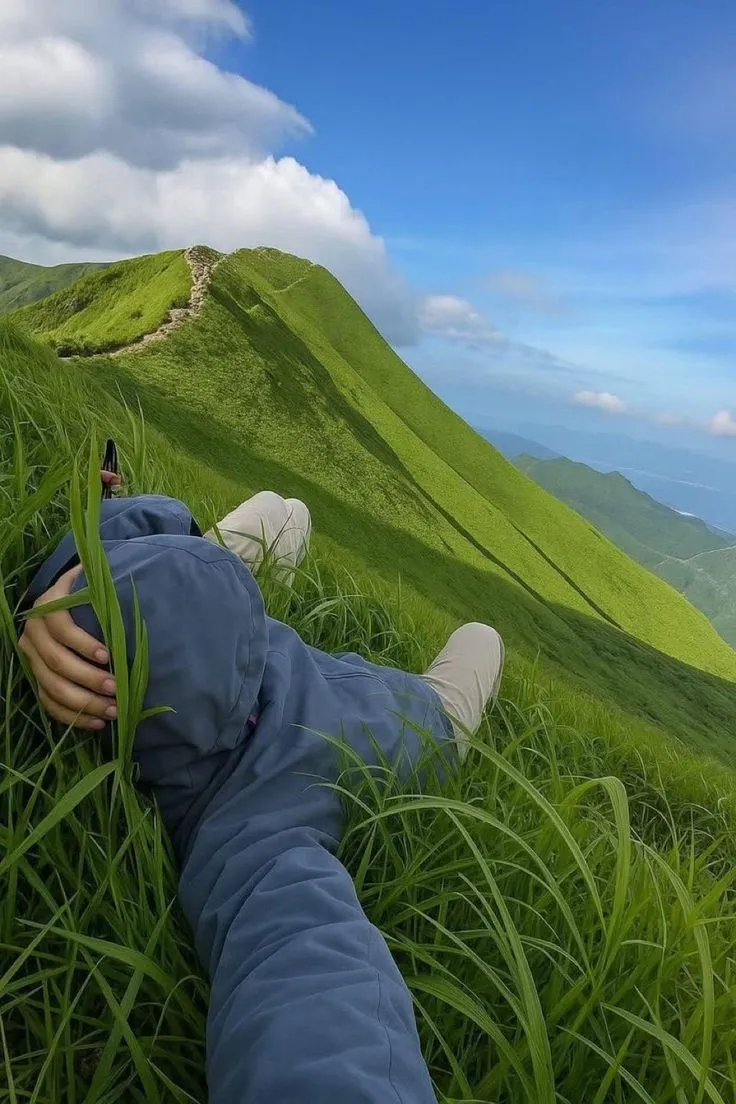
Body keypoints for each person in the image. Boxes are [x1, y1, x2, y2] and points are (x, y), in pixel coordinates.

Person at [20, 484, 504, 1104]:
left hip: (241, 635)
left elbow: (139, 521)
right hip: (412, 714)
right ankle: (262, 549)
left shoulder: (136, 605)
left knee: (281, 509)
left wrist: (56, 590)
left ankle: (270, 539)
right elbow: (311, 989)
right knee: (482, 636)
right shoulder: (257, 832)